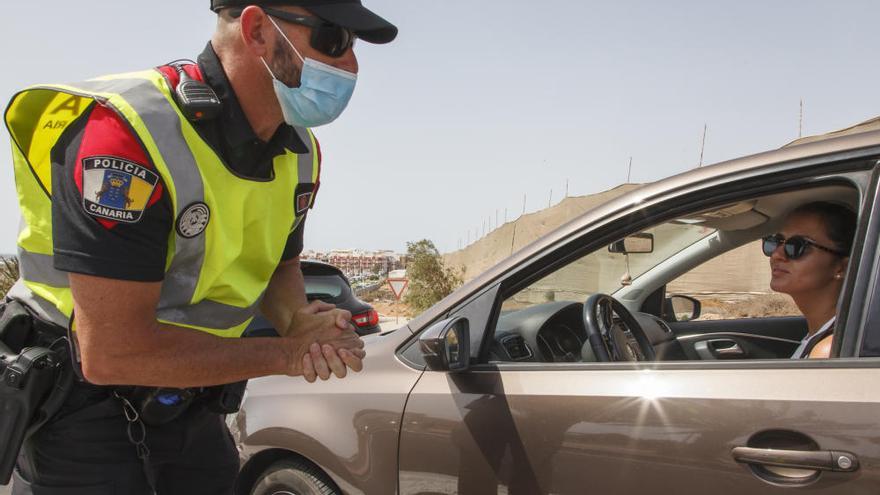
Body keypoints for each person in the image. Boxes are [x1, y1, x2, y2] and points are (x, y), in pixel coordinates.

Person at [3, 1, 397, 493]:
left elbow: (280, 265)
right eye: (334, 39)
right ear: (256, 29)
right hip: (82, 415)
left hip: (193, 407)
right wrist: (288, 353)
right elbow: (111, 353)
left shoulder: (299, 150)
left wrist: (298, 318)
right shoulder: (125, 134)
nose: (351, 65)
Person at [762, 201, 857, 359]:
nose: (777, 254)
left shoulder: (827, 351)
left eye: (798, 246)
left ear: (842, 268)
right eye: (776, 241)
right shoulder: (820, 335)